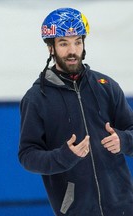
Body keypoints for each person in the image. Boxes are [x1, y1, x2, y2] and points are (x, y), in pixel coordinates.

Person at [18, 7, 133, 216]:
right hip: (76, 210)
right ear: (51, 48)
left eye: (77, 42)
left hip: (123, 207)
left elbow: (131, 131)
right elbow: (28, 156)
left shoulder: (106, 86)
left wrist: (123, 140)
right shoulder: (36, 99)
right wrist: (64, 156)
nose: (72, 50)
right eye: (64, 43)